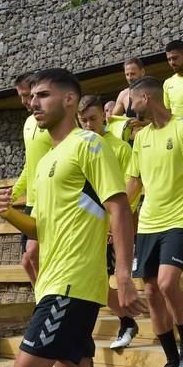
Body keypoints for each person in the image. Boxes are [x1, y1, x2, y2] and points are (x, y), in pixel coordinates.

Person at [0, 68, 146, 367]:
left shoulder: (89, 143)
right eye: (32, 97)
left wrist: (123, 275)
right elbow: (40, 230)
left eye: (43, 95)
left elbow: (119, 207)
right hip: (52, 282)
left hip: (71, 284)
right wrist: (10, 214)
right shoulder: (47, 160)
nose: (34, 102)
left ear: (70, 99)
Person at [126, 76, 183, 367]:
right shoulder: (141, 138)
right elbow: (134, 182)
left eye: (131, 102)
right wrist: (117, 214)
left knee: (166, 283)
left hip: (179, 220)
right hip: (149, 223)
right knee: (151, 292)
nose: (129, 108)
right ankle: (171, 361)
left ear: (145, 99)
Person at [77, 95, 140, 350]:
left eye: (93, 119)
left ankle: (124, 322)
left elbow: (128, 192)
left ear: (105, 116)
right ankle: (126, 321)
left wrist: (116, 225)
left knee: (98, 281)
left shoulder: (120, 148)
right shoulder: (78, 145)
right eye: (84, 121)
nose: (89, 125)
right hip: (82, 227)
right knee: (94, 282)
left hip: (106, 226)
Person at [10, 71, 52, 286]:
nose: (25, 101)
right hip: (32, 202)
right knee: (27, 261)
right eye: (22, 96)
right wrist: (14, 192)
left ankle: (46, 303)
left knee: (33, 254)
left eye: (27, 95)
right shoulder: (28, 123)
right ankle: (42, 303)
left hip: (50, 201)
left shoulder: (53, 122)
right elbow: (30, 164)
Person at [111, 58, 150, 142]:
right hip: (132, 141)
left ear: (142, 72)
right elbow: (113, 119)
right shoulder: (123, 95)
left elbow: (165, 118)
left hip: (152, 138)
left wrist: (142, 123)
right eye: (127, 74)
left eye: (133, 74)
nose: (130, 78)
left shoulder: (153, 91)